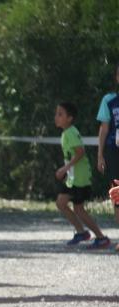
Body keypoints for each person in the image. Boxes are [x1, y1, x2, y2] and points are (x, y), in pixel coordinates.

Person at [53, 102, 110, 249]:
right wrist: (67, 172)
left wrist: (64, 168)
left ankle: (101, 237)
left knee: (78, 209)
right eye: (57, 114)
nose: (57, 117)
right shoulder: (66, 132)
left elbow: (80, 152)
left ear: (70, 118)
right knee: (61, 203)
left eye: (61, 114)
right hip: (73, 178)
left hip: (80, 177)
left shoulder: (71, 132)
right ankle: (81, 232)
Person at [97, 62, 119, 252]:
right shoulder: (109, 101)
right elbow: (104, 129)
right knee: (117, 195)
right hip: (114, 152)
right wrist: (100, 155)